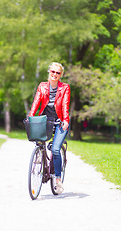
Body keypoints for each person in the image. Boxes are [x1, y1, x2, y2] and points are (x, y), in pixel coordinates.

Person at [29, 62, 70, 194]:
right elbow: (36, 102)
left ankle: (58, 179)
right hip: (45, 121)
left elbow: (65, 105)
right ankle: (40, 159)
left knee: (56, 149)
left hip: (59, 123)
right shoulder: (42, 86)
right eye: (53, 71)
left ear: (61, 75)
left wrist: (65, 120)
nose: (55, 74)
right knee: (39, 142)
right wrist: (31, 116)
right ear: (49, 72)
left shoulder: (64, 88)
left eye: (58, 73)